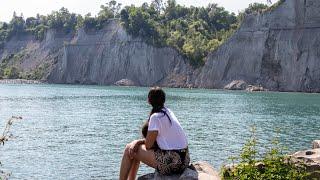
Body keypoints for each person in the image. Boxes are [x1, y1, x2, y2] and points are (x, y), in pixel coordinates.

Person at [119, 87, 190, 180]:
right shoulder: (168, 112)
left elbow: (148, 145)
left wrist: (137, 142)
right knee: (135, 148)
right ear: (163, 100)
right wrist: (138, 142)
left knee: (130, 148)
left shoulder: (155, 117)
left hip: (172, 162)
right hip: (184, 160)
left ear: (149, 101)